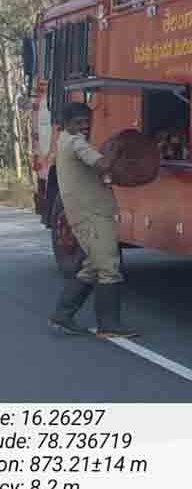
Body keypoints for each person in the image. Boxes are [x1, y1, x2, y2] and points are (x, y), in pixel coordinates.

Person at [48, 102, 137, 339]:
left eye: (87, 122)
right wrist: (119, 149)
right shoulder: (75, 143)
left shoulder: (64, 141)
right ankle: (109, 324)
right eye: (79, 123)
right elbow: (103, 165)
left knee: (93, 265)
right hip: (91, 215)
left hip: (88, 213)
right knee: (109, 266)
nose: (84, 127)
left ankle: (62, 315)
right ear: (67, 124)